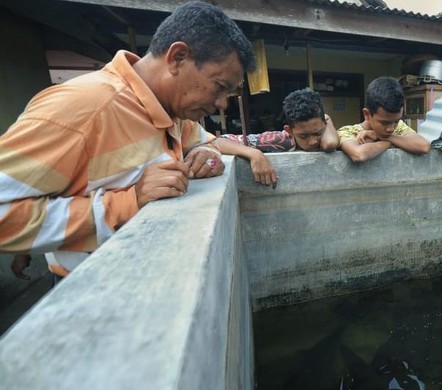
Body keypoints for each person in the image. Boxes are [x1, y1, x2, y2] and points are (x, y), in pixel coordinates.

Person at [0, 1, 256, 279]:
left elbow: (202, 140)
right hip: (92, 297)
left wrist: (208, 155)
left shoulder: (172, 113)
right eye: (219, 87)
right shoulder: (84, 108)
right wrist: (128, 201)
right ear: (177, 58)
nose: (221, 104)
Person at [217, 89, 339, 187]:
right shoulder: (280, 140)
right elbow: (219, 141)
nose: (312, 141)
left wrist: (328, 119)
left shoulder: (327, 131)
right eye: (303, 136)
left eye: (318, 133)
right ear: (289, 131)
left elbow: (330, 144)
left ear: (325, 123)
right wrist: (254, 153)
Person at [337, 76, 430, 163]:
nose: (391, 129)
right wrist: (387, 142)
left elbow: (423, 146)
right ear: (367, 114)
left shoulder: (399, 127)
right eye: (384, 123)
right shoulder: (347, 132)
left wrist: (381, 137)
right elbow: (359, 155)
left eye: (396, 121)